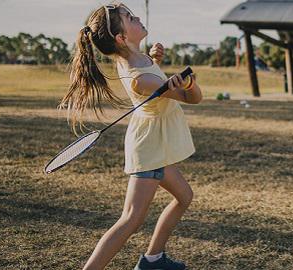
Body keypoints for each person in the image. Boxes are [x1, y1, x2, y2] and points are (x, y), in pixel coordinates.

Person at [59, 3, 202, 269]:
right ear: (121, 38)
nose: (137, 18)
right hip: (150, 150)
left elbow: (148, 72)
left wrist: (156, 61)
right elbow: (194, 99)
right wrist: (189, 83)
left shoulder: (137, 60)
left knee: (184, 197)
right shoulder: (141, 78)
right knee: (131, 219)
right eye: (130, 18)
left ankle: (153, 259)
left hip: (155, 144)